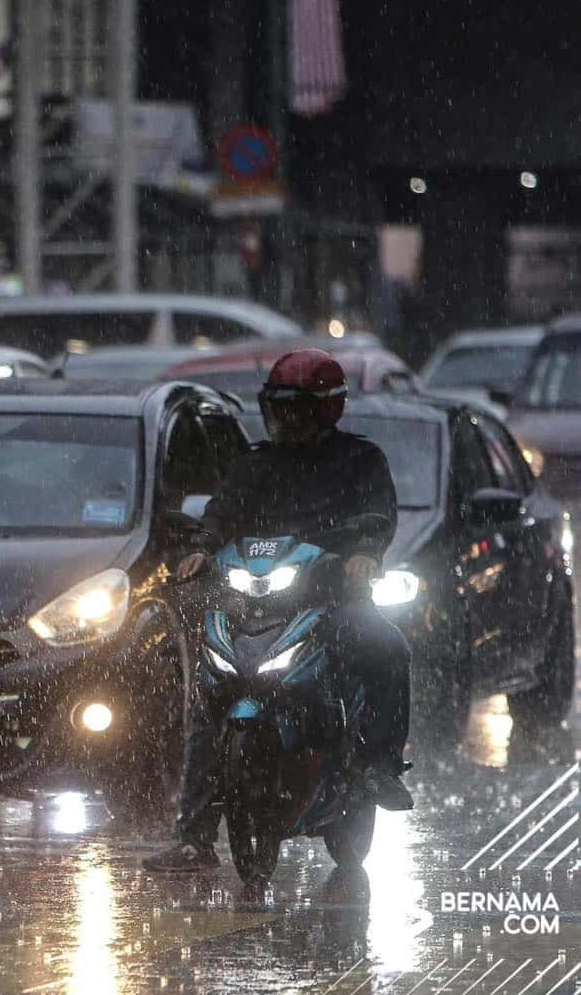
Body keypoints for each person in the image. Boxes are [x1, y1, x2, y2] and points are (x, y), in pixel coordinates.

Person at [144, 348, 413, 873]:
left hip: (332, 598)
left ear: (326, 410)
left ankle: (379, 763)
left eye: (298, 408)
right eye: (280, 408)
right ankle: (194, 837)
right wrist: (200, 547)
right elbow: (221, 515)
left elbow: (377, 516)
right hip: (253, 601)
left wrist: (363, 556)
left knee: (389, 647)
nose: (286, 419)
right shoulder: (255, 463)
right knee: (211, 695)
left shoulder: (361, 461)